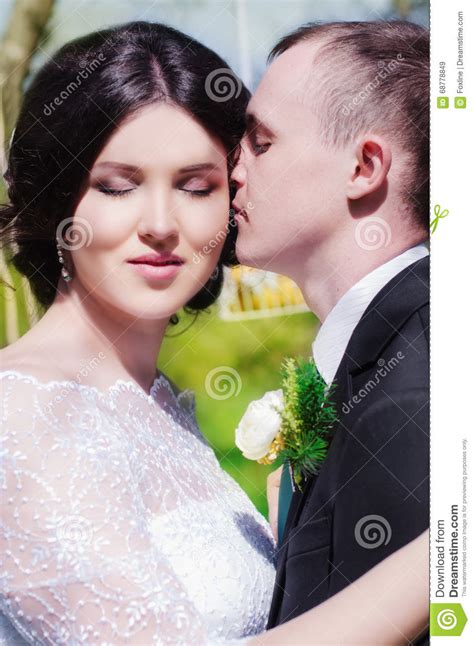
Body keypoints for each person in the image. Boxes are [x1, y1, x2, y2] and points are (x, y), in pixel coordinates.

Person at [0, 19, 428, 645]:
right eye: (117, 187)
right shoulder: (23, 416)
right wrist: (446, 554)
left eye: (196, 187)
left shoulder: (162, 404)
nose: (160, 224)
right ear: (59, 203)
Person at [231, 19, 430, 645]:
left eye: (261, 143)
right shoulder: (389, 358)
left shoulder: (411, 400)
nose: (232, 170)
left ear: (364, 166)